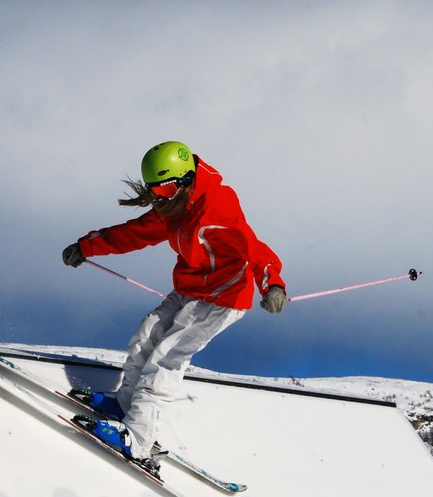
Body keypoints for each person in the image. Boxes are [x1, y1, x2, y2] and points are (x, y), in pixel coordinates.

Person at [62, 141, 287, 473]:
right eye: (153, 189)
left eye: (165, 187)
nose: (158, 197)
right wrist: (88, 246)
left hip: (222, 299)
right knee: (146, 336)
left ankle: (137, 441)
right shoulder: (172, 208)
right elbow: (135, 233)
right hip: (191, 288)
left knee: (166, 357)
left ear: (185, 181)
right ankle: (126, 407)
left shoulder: (217, 206)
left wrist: (272, 284)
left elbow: (253, 247)